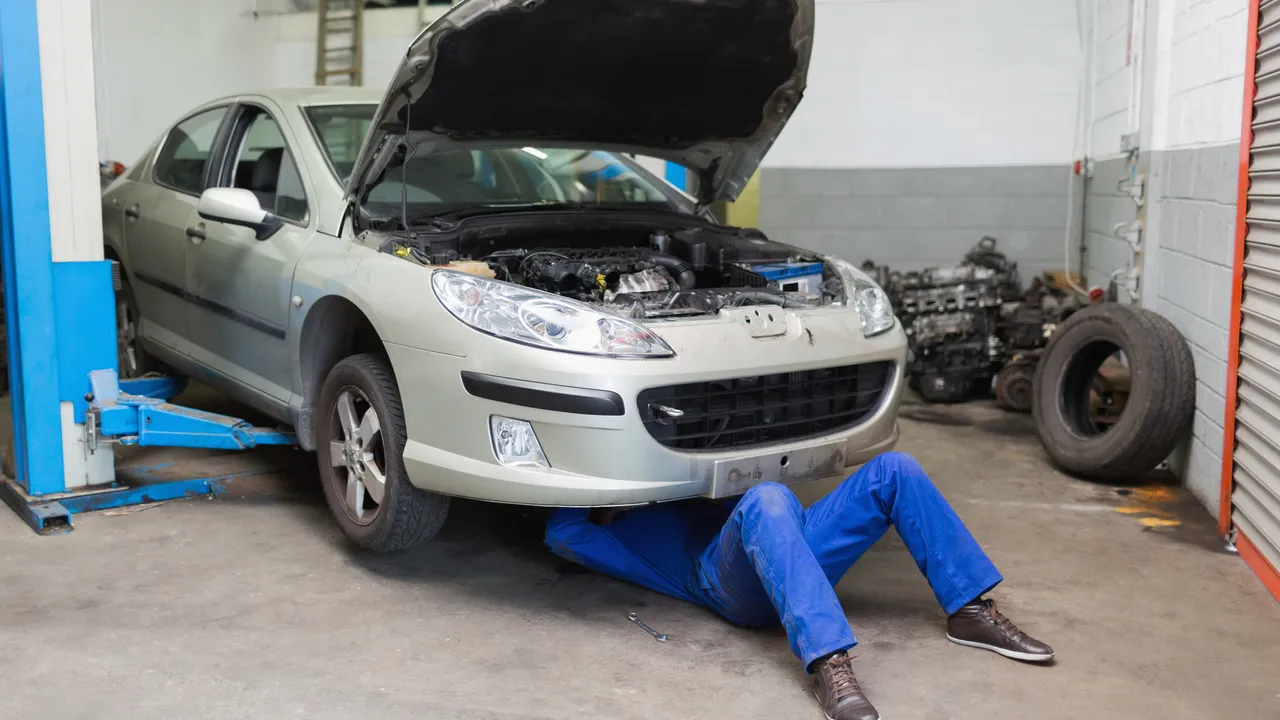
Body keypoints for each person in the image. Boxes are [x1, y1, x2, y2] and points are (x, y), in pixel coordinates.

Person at [544, 452, 1053, 720]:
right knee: (767, 499)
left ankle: (969, 609)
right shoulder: (605, 534)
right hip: (728, 583)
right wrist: (605, 484)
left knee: (894, 470)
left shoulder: (684, 482)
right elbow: (561, 531)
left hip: (788, 541)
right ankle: (829, 661)